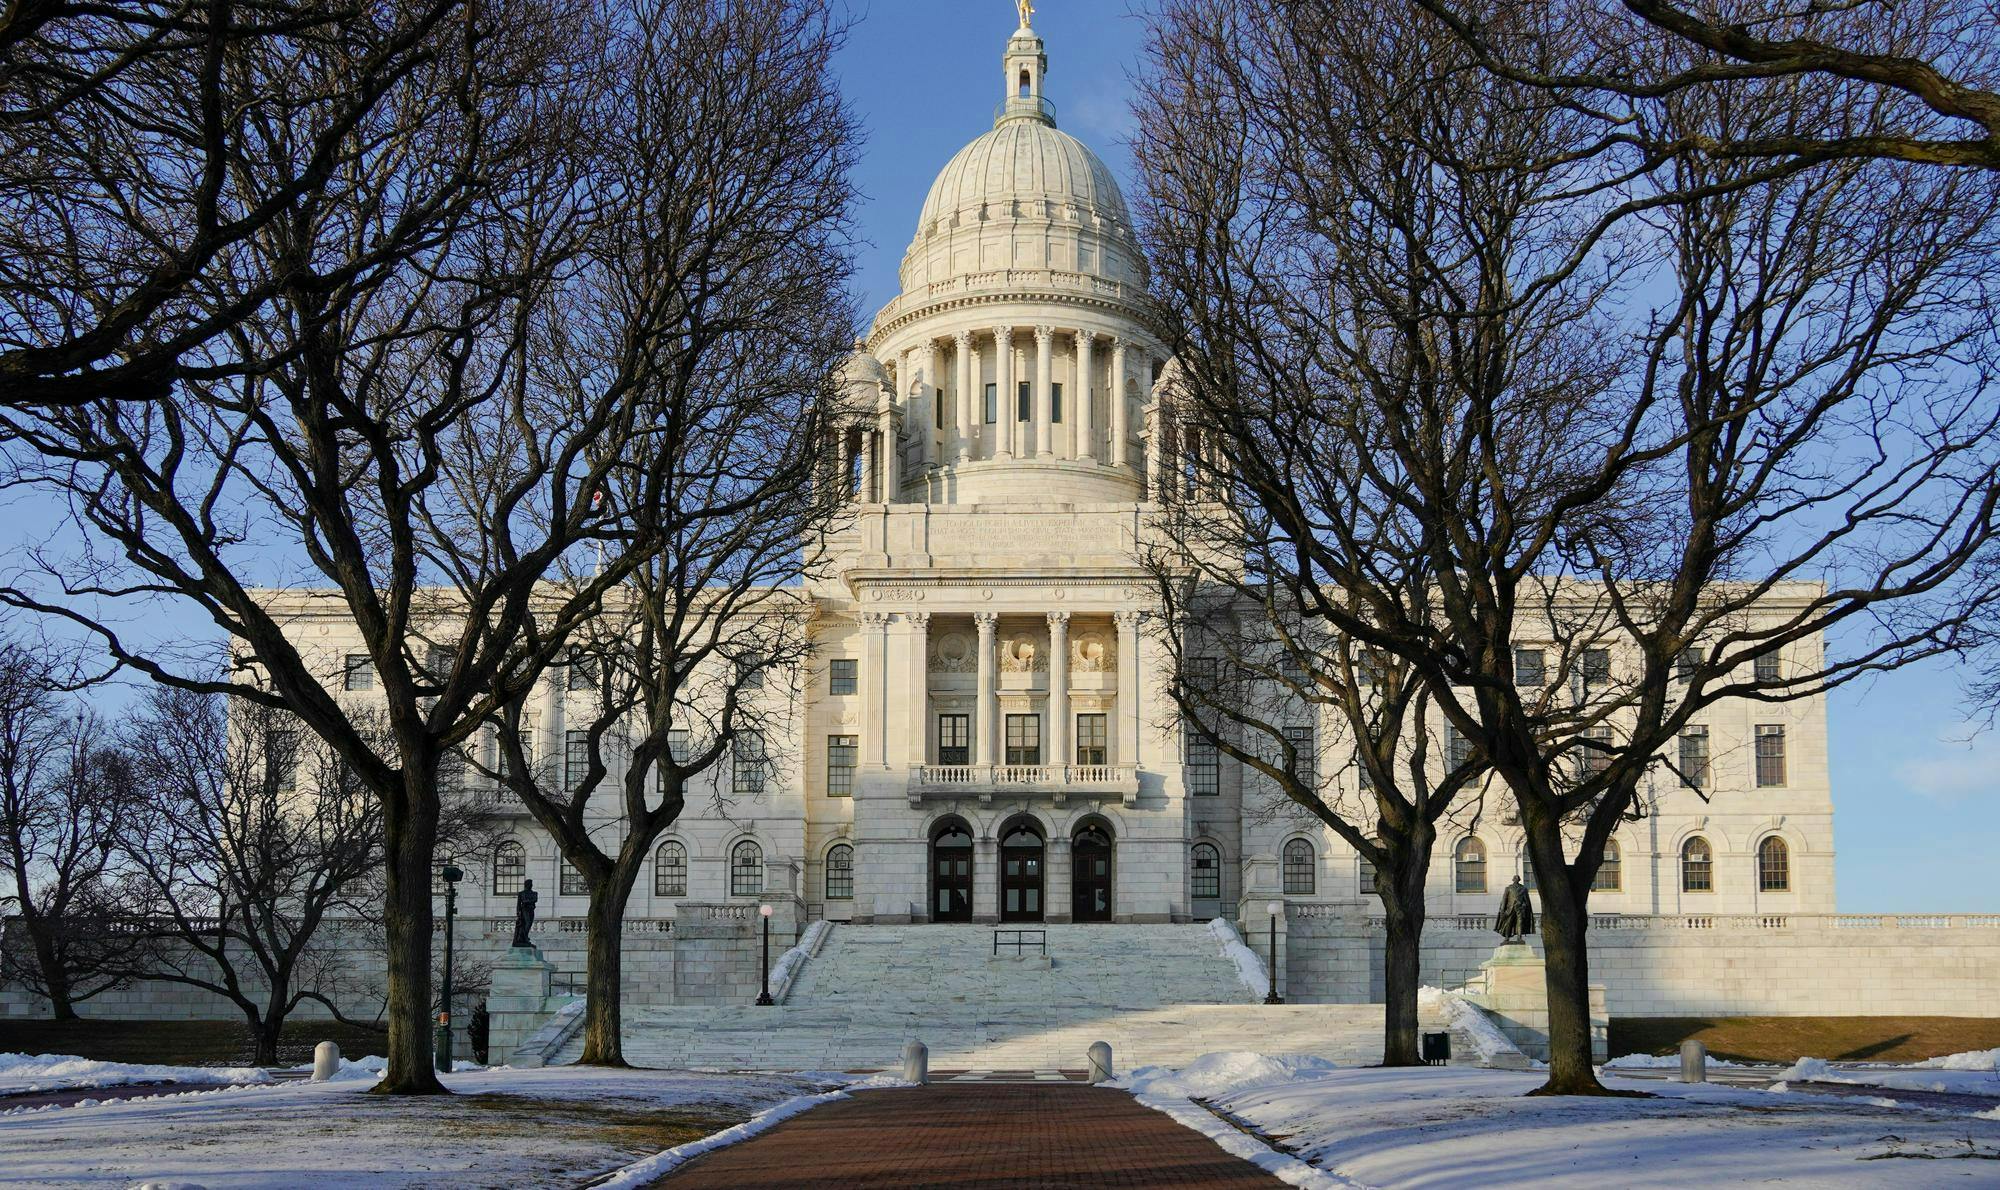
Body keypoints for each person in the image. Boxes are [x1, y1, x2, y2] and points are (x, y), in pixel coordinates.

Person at [1494, 874, 1535, 942]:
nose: (1516, 879)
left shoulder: (1524, 889)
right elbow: (1504, 900)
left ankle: (1519, 937)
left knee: (1520, 922)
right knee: (1509, 922)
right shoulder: (1508, 888)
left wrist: (1523, 905)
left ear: (1519, 880)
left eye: (1517, 878)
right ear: (1513, 880)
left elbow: (1527, 901)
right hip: (1510, 909)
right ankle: (1507, 937)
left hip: (1520, 909)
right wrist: (1502, 910)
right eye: (1515, 878)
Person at [510, 879, 538, 948]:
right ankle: (524, 938)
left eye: (531, 884)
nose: (531, 885)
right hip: (524, 910)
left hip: (531, 910)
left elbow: (535, 900)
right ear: (527, 885)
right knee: (527, 923)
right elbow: (518, 904)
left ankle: (524, 938)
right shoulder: (521, 893)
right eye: (530, 884)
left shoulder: (534, 893)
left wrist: (526, 901)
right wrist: (518, 912)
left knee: (529, 924)